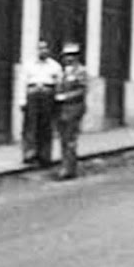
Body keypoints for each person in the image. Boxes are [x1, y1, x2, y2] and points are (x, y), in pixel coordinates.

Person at [21, 40, 61, 166]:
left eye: (45, 48)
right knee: (30, 125)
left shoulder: (55, 66)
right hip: (32, 94)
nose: (42, 51)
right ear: (36, 50)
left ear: (48, 50)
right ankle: (30, 154)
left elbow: (59, 84)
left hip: (47, 95)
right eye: (40, 48)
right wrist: (22, 100)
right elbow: (23, 82)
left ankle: (44, 155)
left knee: (46, 126)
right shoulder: (29, 65)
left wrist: (57, 99)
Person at [53, 42, 89, 180]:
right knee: (63, 138)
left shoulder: (80, 71)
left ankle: (69, 168)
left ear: (77, 57)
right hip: (62, 109)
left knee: (70, 138)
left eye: (72, 55)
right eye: (66, 55)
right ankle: (65, 165)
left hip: (74, 107)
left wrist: (65, 96)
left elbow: (82, 90)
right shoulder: (62, 72)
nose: (69, 58)